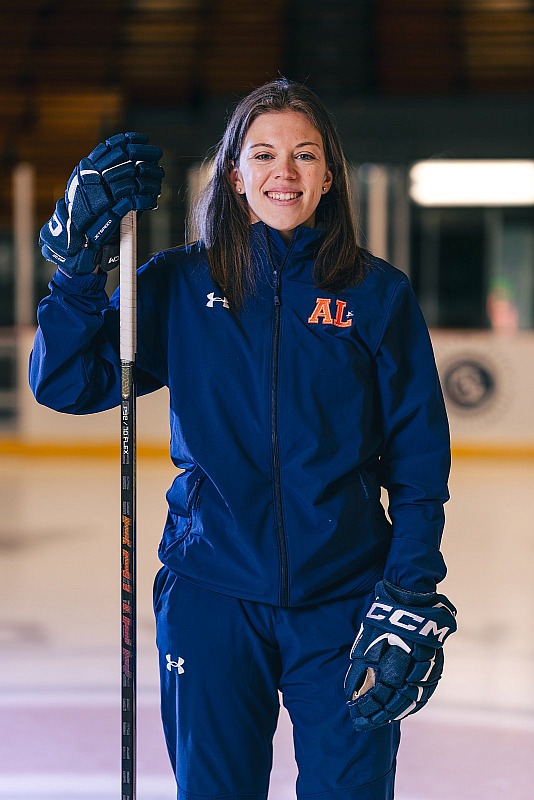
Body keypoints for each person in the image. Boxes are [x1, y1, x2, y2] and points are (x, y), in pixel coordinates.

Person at [29, 78, 456, 800]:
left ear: (329, 176)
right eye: (263, 155)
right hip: (211, 597)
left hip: (346, 603)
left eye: (304, 155)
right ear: (235, 175)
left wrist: (409, 589)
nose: (283, 172)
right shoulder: (178, 284)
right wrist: (76, 274)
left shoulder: (376, 294)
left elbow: (418, 461)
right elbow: (67, 383)